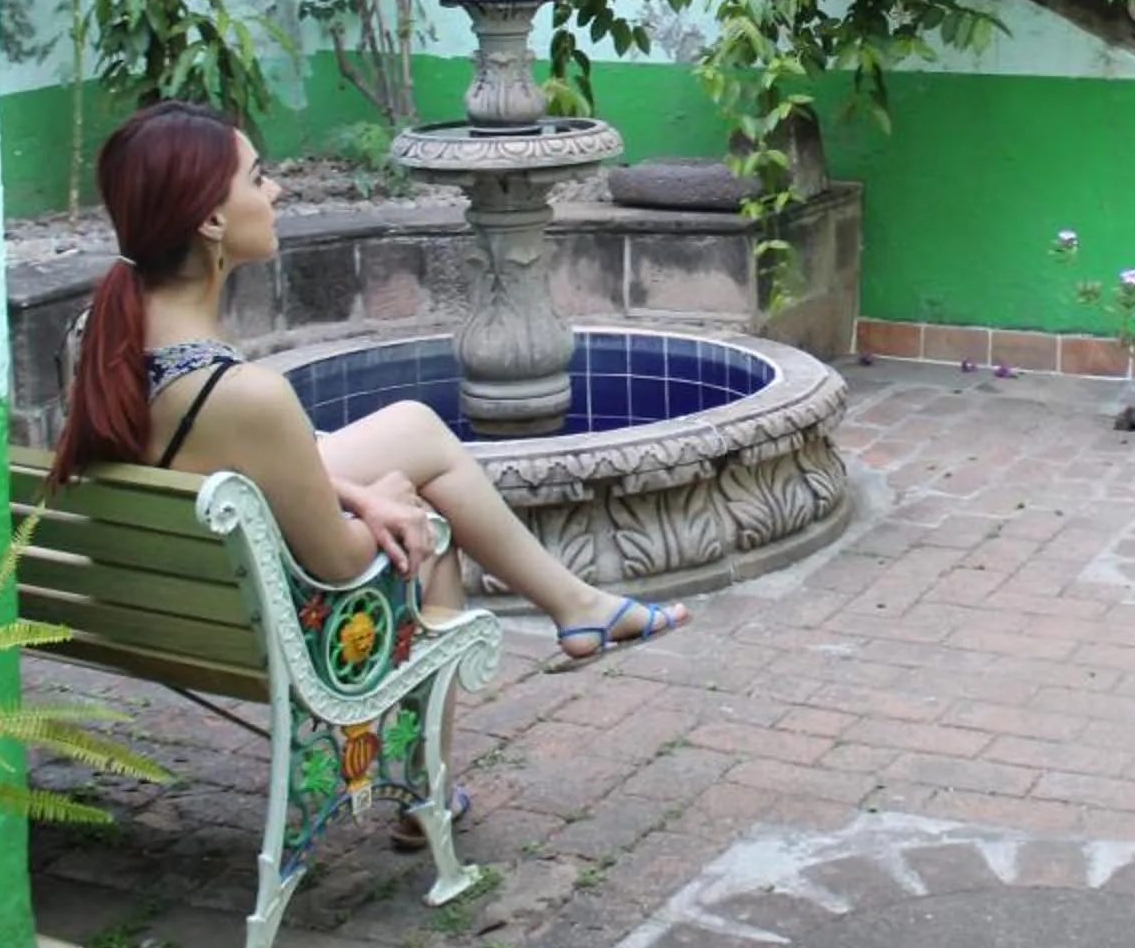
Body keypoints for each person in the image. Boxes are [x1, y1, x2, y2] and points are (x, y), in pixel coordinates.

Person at [51, 104, 688, 832]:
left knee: (415, 432)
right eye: (258, 178)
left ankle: (576, 611)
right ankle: (430, 787)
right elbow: (340, 557)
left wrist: (355, 488)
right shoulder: (245, 397)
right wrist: (388, 498)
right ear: (212, 222)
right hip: (269, 625)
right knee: (431, 526)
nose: (278, 191)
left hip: (159, 603)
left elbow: (212, 467)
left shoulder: (98, 337)